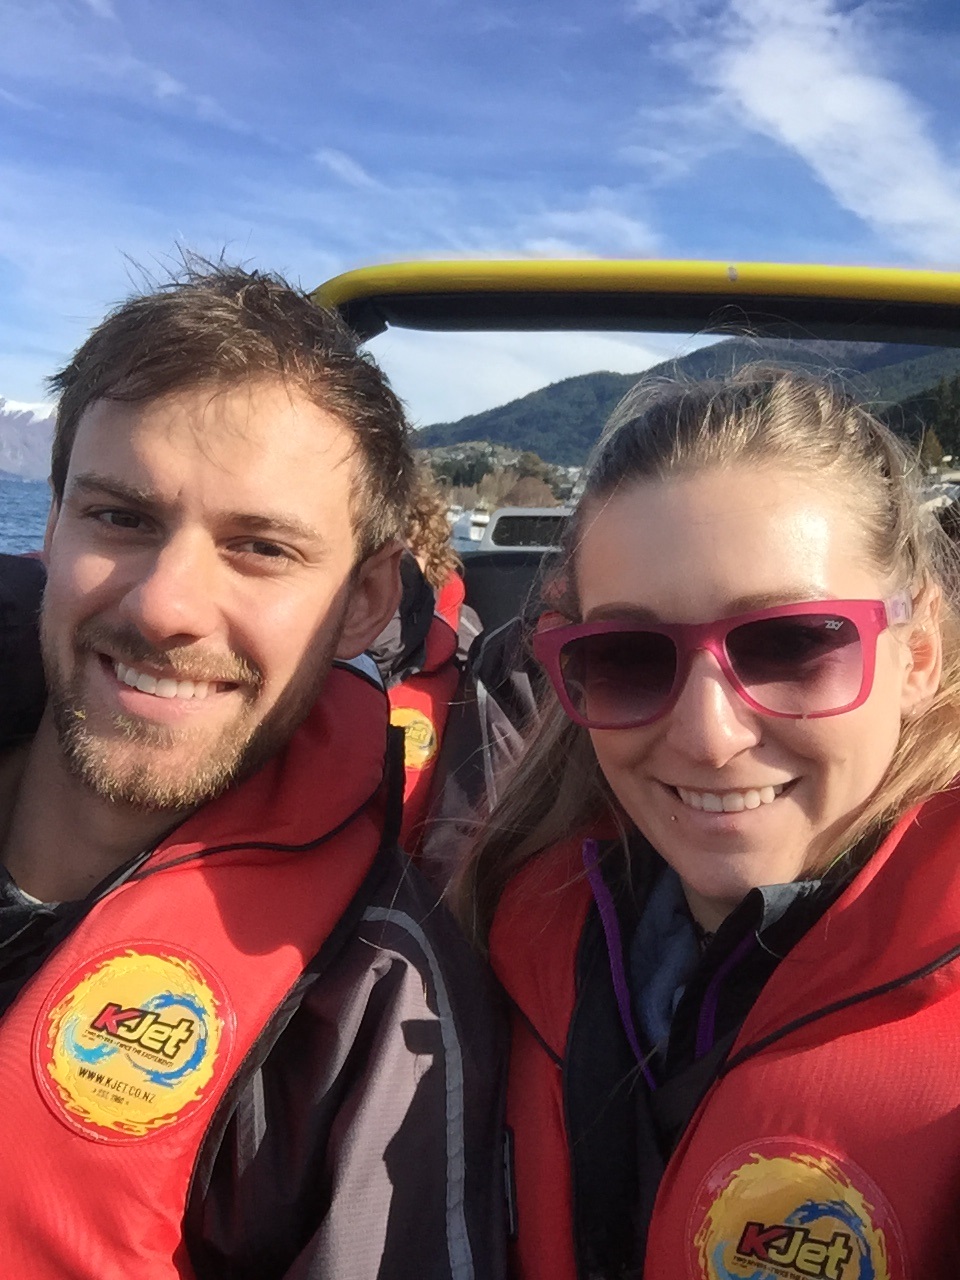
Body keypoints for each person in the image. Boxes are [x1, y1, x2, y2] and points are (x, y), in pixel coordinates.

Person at [0, 264, 506, 1279]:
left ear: (364, 603)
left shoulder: (374, 1012)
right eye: (121, 518)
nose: (164, 607)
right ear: (51, 527)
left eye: (262, 548)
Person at [456, 366, 960, 1279]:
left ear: (917, 655)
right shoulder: (501, 938)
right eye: (627, 656)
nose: (707, 736)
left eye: (791, 644)